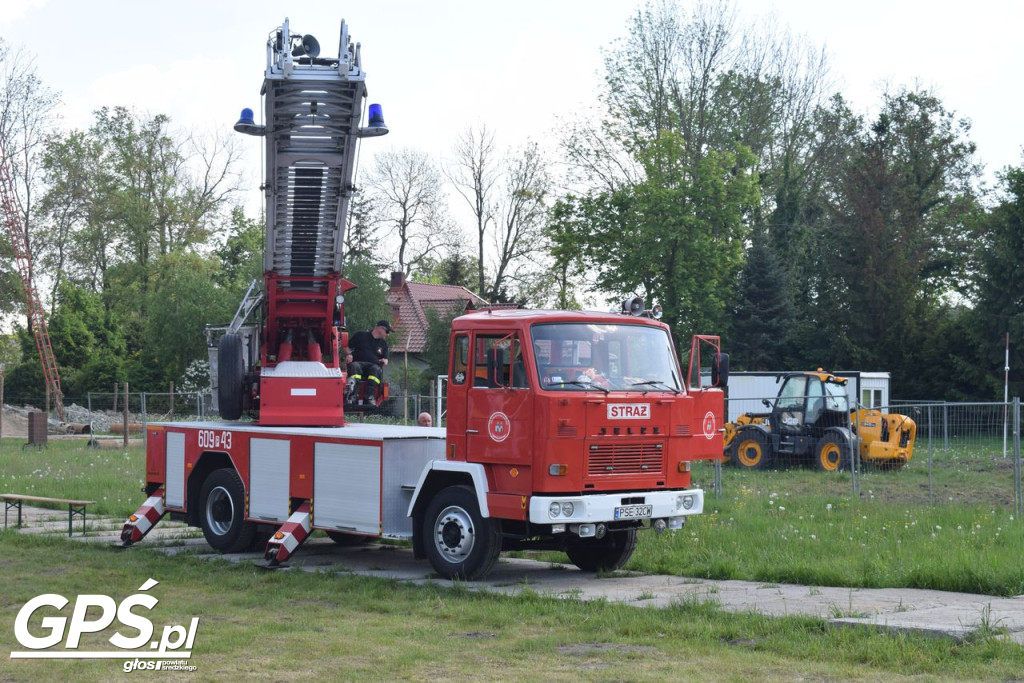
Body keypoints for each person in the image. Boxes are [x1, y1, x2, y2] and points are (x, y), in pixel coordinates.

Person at [345, 320, 392, 401]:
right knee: (355, 366)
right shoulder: (360, 335)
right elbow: (347, 347)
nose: (388, 334)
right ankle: (352, 395)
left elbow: (386, 359)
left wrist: (384, 361)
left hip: (372, 367)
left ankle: (369, 396)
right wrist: (349, 355)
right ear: (380, 329)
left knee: (376, 369)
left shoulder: (384, 344)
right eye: (387, 331)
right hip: (357, 364)